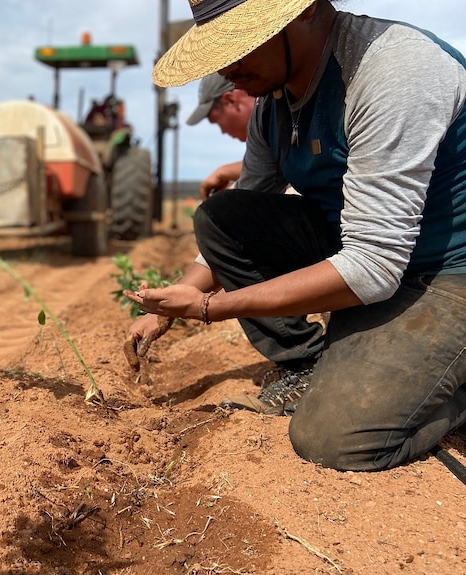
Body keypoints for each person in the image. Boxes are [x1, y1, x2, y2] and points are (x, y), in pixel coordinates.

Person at [123, 0, 466, 472]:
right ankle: (308, 365)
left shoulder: (391, 68)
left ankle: (452, 389)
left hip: (448, 270)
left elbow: (374, 267)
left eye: (241, 42)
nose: (227, 67)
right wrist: (185, 293)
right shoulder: (274, 107)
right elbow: (237, 222)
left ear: (303, 12)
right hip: (369, 254)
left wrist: (210, 309)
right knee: (221, 215)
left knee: (334, 439)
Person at [186, 73, 256, 199]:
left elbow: (274, 167)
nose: (223, 132)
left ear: (230, 101)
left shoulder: (279, 112)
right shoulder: (263, 133)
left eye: (216, 121)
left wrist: (222, 172)